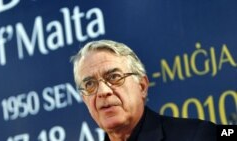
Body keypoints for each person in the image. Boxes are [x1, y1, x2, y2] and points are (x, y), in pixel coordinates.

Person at [71, 40, 216, 141]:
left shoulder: (197, 135)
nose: (102, 91)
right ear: (85, 99)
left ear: (142, 86)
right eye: (90, 84)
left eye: (114, 76)